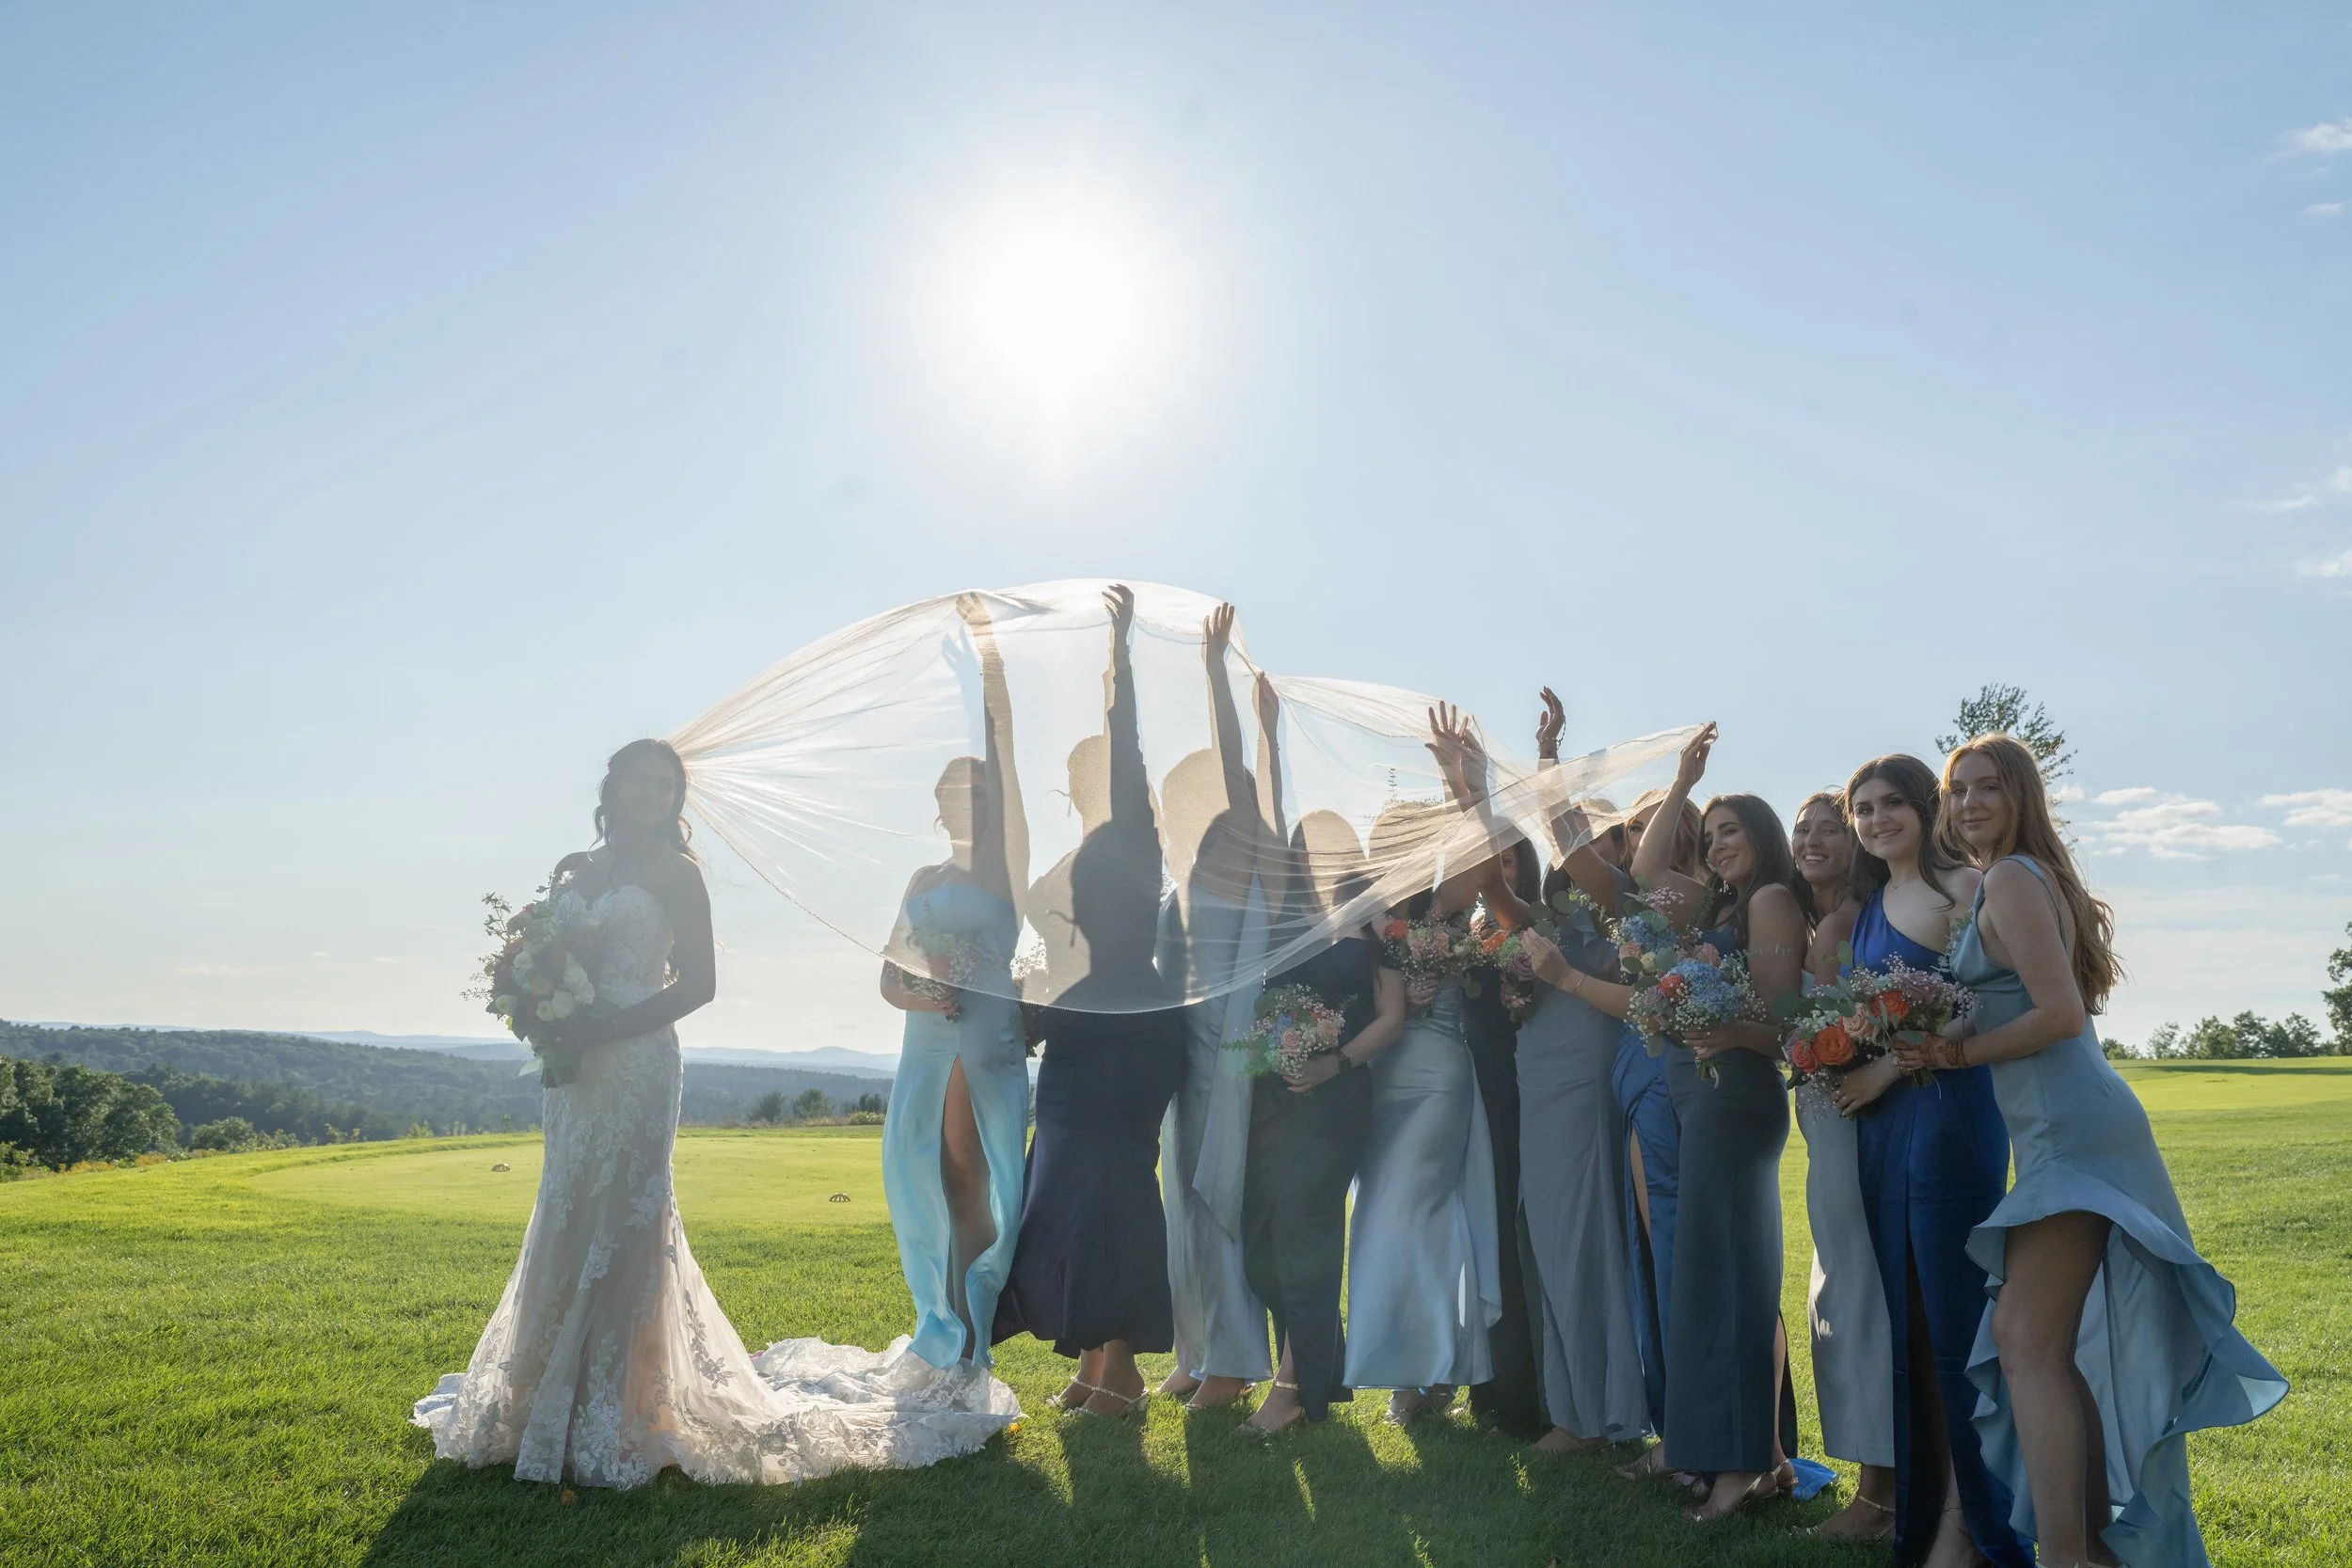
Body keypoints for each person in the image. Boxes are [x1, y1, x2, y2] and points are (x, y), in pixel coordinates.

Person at [416, 741, 1019, 1486]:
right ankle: (539, 1390)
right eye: (639, 779)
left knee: (630, 1219)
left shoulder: (679, 874)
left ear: (675, 798)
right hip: (573, 1072)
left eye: (663, 784)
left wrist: (607, 1024)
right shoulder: (575, 868)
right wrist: (540, 1007)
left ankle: (627, 1401)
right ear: (613, 786)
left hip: (637, 1063)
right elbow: (541, 955)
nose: (649, 792)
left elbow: (698, 983)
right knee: (565, 1208)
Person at [1915, 736, 2286, 1568]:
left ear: (2021, 798)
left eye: (1988, 788)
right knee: (2032, 1340)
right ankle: (2084, 1551)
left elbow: (2059, 1016)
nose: (1969, 803)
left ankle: (2071, 1557)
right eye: (1958, 790)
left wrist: (1957, 1055)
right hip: (2063, 1124)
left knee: (2024, 1339)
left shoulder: (2010, 877)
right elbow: (2014, 1002)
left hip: (2071, 1127)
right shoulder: (2016, 879)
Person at [992, 586, 1188, 1419]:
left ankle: (1126, 1371)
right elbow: (1045, 944)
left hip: (1132, 1035)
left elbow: (1130, 746)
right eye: (1078, 775)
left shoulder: (1135, 841)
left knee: (1111, 1193)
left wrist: (1120, 662)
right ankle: (1099, 1362)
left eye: (1096, 768)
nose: (1085, 780)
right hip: (1074, 1036)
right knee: (1066, 1190)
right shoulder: (1071, 858)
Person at [1832, 753, 2028, 1568]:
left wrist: (1886, 1066)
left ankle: (1972, 1525)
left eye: (1892, 805)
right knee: (1909, 1323)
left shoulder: (1959, 889)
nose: (1877, 820)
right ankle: (1928, 1513)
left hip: (1948, 1116)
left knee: (1952, 1322)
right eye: (1863, 808)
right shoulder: (1872, 903)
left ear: (1924, 807)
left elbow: (1979, 998)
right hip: (1881, 1128)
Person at [1626, 725, 1804, 1522]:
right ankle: (1741, 1455)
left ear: (1761, 838)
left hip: (1736, 1101)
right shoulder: (1712, 903)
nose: (1718, 842)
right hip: (1699, 1099)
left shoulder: (1767, 902)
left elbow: (1781, 1025)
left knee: (1730, 1282)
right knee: (1706, 1279)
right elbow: (1640, 871)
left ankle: (1740, 1469)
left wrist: (1727, 1030)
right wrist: (1681, 781)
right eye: (1712, 832)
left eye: (1733, 830)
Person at [876, 594, 1033, 1370]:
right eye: (955, 794)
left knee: (970, 1175)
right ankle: (936, 1322)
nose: (968, 801)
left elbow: (1002, 757)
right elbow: (886, 976)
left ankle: (972, 1336)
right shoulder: (922, 875)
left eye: (979, 793)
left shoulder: (1003, 870)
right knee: (929, 1181)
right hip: (923, 1038)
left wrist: (989, 660)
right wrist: (921, 993)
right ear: (937, 808)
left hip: (983, 1037)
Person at [1238, 773, 1408, 1434]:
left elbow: (1391, 1016)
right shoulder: (1281, 917)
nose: (1315, 855)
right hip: (1273, 1100)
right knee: (1264, 1240)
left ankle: (1291, 1390)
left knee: (1307, 1233)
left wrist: (1333, 1062)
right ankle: (1318, 1370)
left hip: (1337, 1101)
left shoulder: (1375, 921)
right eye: (1304, 845)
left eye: (1327, 844)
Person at [1508, 688, 1652, 1452]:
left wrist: (1546, 758)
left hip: (1583, 1086)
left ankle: (1591, 1414)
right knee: (1547, 1236)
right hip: (1539, 1086)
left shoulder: (1616, 911)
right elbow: (1499, 887)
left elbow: (1562, 834)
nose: (1586, 848)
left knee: (1583, 1240)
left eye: (1604, 837)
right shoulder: (1550, 916)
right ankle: (1568, 1402)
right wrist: (1467, 793)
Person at [1343, 767, 1504, 1421]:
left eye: (1408, 840)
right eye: (1388, 841)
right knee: (1379, 1217)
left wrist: (1463, 780)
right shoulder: (1361, 913)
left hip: (1437, 1073)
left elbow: (1486, 852)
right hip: (1379, 1076)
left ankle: (1428, 1373)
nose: (1396, 853)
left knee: (1419, 1214)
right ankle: (1419, 1367)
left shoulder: (1443, 908)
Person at [1156, 603, 1275, 1408]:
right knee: (1182, 1205)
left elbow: (1246, 772)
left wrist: (1215, 677)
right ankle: (1194, 1350)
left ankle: (1233, 1363)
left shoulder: (1259, 866)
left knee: (1221, 1199)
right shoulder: (1188, 878)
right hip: (1182, 1062)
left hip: (1232, 1060)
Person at [1790, 788, 1899, 1538]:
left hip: (1848, 1114)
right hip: (1823, 1114)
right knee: (1841, 1286)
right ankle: (1880, 1483)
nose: (1814, 836)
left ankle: (1878, 1495)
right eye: (1804, 827)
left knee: (1856, 1291)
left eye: (1831, 826)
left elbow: (1848, 1025)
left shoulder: (1846, 922)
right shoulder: (1816, 921)